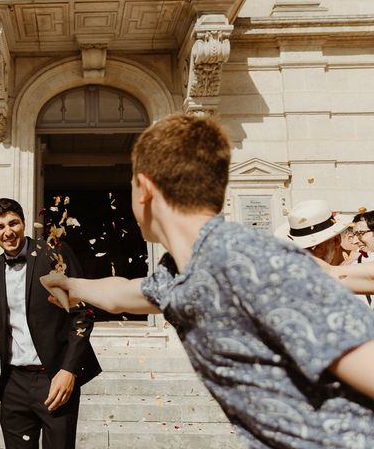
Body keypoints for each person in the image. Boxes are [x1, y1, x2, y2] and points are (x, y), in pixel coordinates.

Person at [44, 113, 374, 448]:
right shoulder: (181, 271)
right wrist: (72, 286)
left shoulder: (247, 261)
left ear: (144, 189)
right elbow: (125, 294)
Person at [0, 198, 101, 449]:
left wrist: (69, 370)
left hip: (54, 377)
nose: (7, 232)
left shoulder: (54, 253)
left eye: (13, 223)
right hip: (13, 384)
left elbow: (83, 313)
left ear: (24, 224)